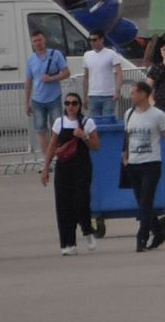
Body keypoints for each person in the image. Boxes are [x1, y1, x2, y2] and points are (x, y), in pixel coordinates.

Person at [122, 81, 165, 251]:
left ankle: (141, 237)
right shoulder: (128, 114)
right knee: (142, 203)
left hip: (151, 163)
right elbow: (127, 137)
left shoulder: (158, 115)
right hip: (133, 164)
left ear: (144, 94)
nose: (131, 96)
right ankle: (158, 233)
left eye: (134, 92)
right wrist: (125, 156)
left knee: (146, 200)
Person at [38, 93, 99, 255]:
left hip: (82, 167)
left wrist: (84, 136)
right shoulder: (60, 122)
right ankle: (68, 242)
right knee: (64, 205)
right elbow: (52, 146)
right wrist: (45, 168)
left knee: (81, 201)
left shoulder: (87, 122)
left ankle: (87, 230)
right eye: (67, 103)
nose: (70, 107)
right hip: (64, 168)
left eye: (74, 103)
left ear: (79, 105)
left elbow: (96, 145)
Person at [22, 29, 70, 160]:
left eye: (39, 40)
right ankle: (47, 159)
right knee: (41, 130)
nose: (38, 43)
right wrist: (26, 102)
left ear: (45, 40)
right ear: (32, 43)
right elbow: (28, 81)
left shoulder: (56, 55)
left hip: (54, 98)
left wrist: (52, 79)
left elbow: (66, 73)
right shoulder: (31, 60)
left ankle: (59, 156)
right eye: (35, 41)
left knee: (57, 129)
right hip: (38, 99)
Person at [79, 31, 122, 119]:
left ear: (102, 40)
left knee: (107, 122)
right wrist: (84, 96)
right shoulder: (87, 55)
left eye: (95, 40)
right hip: (93, 95)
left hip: (108, 95)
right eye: (90, 40)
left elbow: (119, 73)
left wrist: (117, 91)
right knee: (94, 125)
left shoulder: (111, 54)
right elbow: (86, 77)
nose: (92, 42)